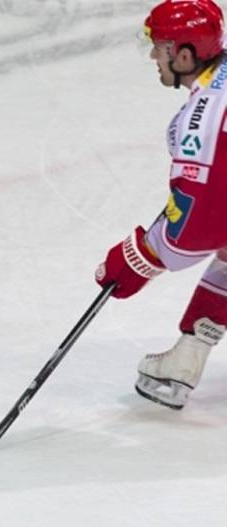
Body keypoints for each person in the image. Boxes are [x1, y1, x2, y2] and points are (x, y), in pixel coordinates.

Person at [95, 0, 227, 409]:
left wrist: (141, 257)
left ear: (185, 55)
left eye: (162, 47)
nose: (154, 56)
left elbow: (198, 227)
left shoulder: (202, 121)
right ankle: (187, 357)